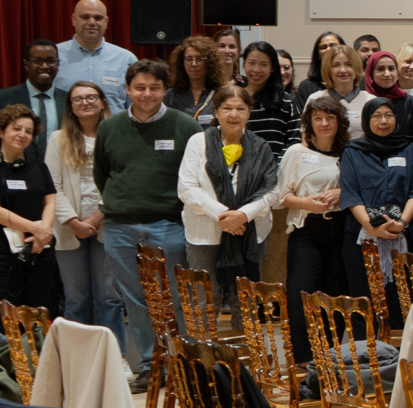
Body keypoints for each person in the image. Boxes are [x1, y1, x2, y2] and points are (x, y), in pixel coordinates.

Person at [93, 59, 201, 377]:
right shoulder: (109, 127)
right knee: (135, 299)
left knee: (175, 297)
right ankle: (148, 367)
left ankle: (181, 364)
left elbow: (196, 176)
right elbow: (102, 174)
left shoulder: (186, 126)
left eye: (154, 87)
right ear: (127, 89)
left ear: (165, 90)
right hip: (119, 225)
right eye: (139, 87)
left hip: (169, 224)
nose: (147, 94)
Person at [177, 86, 279, 291]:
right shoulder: (198, 142)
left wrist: (243, 215)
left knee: (245, 300)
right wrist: (226, 217)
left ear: (249, 112)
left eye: (240, 109)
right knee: (205, 299)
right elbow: (186, 188)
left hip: (250, 232)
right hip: (205, 235)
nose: (234, 114)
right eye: (227, 108)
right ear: (216, 111)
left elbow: (272, 191)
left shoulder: (260, 146)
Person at [277, 96, 348, 361]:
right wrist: (306, 203)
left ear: (339, 122)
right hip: (306, 230)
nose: (324, 123)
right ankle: (304, 360)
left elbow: (361, 189)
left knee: (336, 299)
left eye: (330, 118)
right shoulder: (296, 152)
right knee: (301, 297)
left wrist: (342, 193)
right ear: (309, 122)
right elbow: (280, 197)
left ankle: (331, 359)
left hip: (340, 230)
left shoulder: (349, 153)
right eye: (318, 118)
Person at [340, 99, 413, 295]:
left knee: (404, 298)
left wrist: (402, 223)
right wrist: (371, 227)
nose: (384, 121)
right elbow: (351, 195)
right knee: (366, 298)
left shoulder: (412, 148)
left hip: (405, 232)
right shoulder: (352, 151)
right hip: (361, 235)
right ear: (366, 120)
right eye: (377, 116)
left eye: (389, 115)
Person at [43, 82, 106, 325]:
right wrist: (73, 222)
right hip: (69, 227)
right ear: (70, 106)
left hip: (106, 224)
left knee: (108, 298)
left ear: (102, 102)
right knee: (76, 298)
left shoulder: (114, 135)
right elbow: (52, 186)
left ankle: (113, 348)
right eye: (77, 99)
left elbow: (119, 182)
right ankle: (77, 349)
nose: (85, 102)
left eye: (91, 97)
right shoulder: (57, 139)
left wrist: (97, 217)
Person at [0, 105, 57, 310]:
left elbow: (50, 202)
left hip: (40, 246)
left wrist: (44, 232)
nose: (22, 134)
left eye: (28, 131)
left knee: (37, 307)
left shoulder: (39, 166)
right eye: (16, 128)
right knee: (6, 310)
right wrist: (34, 228)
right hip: (4, 249)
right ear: (2, 131)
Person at [56, 0, 136, 110]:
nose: (92, 22)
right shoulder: (55, 56)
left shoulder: (126, 59)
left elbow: (135, 107)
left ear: (106, 22)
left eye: (98, 18)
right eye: (85, 17)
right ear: (73, 19)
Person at [1, 40, 63, 158]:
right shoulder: (4, 98)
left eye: (50, 61)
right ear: (26, 65)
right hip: (14, 166)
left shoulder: (69, 100)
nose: (44, 66)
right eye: (37, 61)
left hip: (59, 167)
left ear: (58, 64)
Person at [347, 51, 413, 145]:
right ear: (371, 73)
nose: (387, 74)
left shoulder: (408, 101)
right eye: (380, 69)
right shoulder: (363, 99)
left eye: (391, 69)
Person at [236, 43, 296, 151]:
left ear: (272, 68)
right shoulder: (234, 100)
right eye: (251, 63)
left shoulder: (286, 101)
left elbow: (294, 140)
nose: (256, 69)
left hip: (278, 161)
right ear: (244, 64)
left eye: (264, 64)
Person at [163, 36, 227, 126]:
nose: (193, 64)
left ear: (209, 63)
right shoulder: (170, 96)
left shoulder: (221, 95)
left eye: (199, 59)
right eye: (188, 59)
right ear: (182, 62)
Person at [296, 31, 347, 105]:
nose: (328, 49)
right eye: (323, 47)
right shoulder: (307, 86)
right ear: (318, 56)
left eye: (333, 45)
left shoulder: (351, 81)